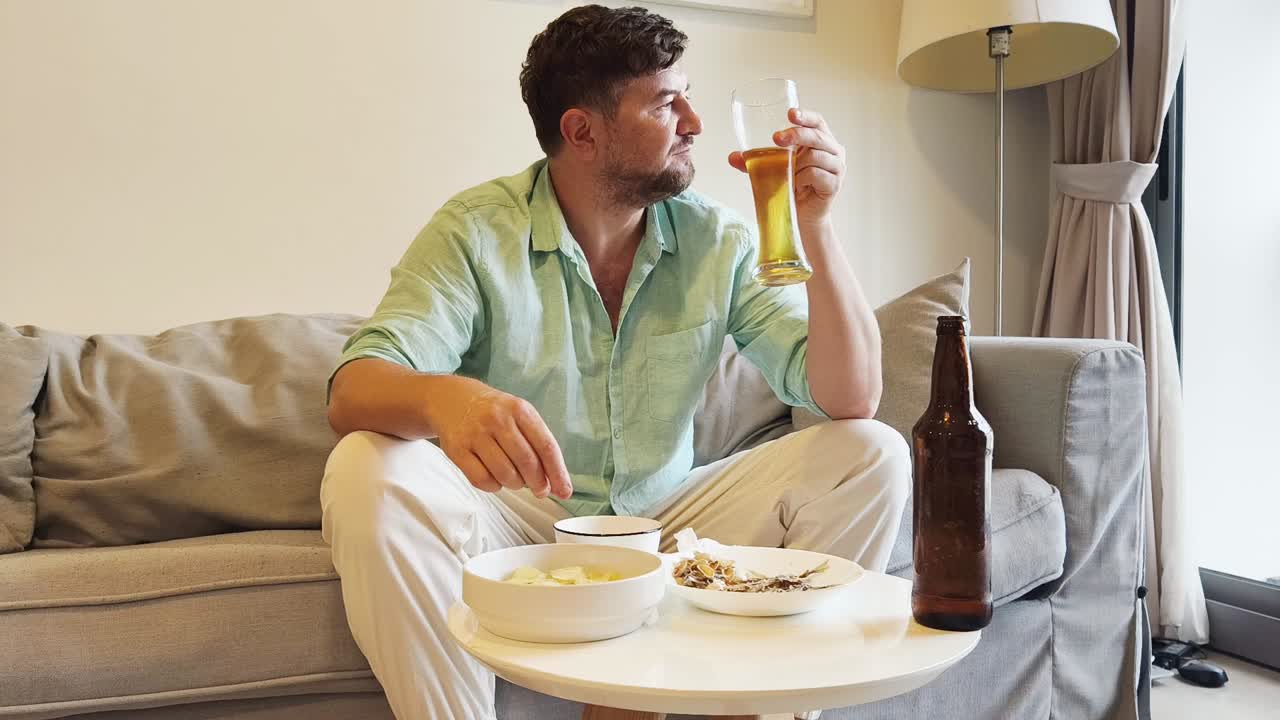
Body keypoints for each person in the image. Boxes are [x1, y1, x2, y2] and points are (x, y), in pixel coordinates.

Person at [320, 5, 909, 720]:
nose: (694, 121)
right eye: (666, 102)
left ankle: (749, 705)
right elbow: (353, 390)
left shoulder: (715, 238)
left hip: (672, 519)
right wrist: (451, 399)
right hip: (528, 520)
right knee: (365, 468)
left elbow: (851, 400)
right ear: (582, 131)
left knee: (871, 452)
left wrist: (816, 227)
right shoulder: (474, 231)